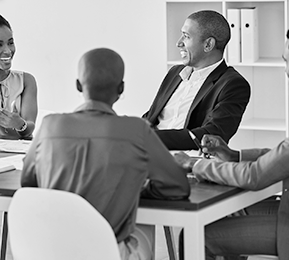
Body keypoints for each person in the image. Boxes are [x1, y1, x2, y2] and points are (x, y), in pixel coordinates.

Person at [21, 48, 190, 260]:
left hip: (50, 251)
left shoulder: (49, 125)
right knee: (142, 223)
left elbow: (28, 182)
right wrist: (134, 186)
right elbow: (177, 187)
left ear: (78, 85)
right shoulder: (136, 129)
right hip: (107, 253)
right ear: (121, 88)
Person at [173, 30, 289, 259]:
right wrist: (234, 155)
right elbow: (281, 157)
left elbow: (254, 176)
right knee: (227, 212)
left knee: (196, 237)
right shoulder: (175, 75)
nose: (286, 71)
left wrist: (193, 165)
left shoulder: (232, 83)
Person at [143, 10, 250, 150]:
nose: (178, 43)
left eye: (186, 36)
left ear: (208, 45)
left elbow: (213, 134)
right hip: (146, 153)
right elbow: (151, 117)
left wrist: (149, 138)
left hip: (185, 161)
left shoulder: (232, 84)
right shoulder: (175, 73)